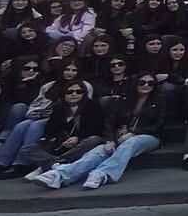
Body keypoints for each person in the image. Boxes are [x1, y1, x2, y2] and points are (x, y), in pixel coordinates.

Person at [29, 73, 164, 190]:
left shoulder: (159, 100)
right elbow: (109, 123)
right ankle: (59, 175)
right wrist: (109, 140)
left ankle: (102, 173)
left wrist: (134, 132)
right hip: (119, 136)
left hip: (148, 136)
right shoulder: (122, 101)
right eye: (142, 82)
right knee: (98, 152)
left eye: (150, 83)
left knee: (131, 143)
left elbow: (159, 124)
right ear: (135, 84)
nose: (146, 85)